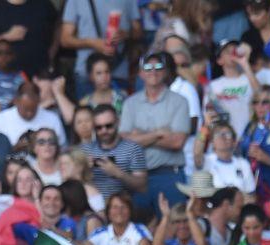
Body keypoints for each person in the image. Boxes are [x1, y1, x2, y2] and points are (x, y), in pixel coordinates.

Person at [120, 51, 191, 214]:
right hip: (138, 177)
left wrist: (139, 135)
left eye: (158, 66)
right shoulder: (130, 103)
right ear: (140, 73)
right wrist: (158, 133)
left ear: (165, 71)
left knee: (173, 228)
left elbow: (177, 142)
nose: (153, 71)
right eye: (148, 67)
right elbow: (125, 143)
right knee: (141, 231)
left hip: (169, 175)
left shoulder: (180, 101)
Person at [60, 0, 141, 96]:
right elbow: (65, 39)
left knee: (119, 109)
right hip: (87, 73)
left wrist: (126, 34)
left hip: (118, 72)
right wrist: (92, 43)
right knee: (87, 110)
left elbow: (138, 32)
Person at [0, 0, 60, 79]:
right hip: (8, 80)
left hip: (41, 76)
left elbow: (57, 29)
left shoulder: (44, 4)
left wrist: (51, 54)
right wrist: (7, 36)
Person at [81, 104, 147, 201]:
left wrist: (119, 174)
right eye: (99, 127)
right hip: (91, 208)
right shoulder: (84, 150)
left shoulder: (133, 148)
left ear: (118, 122)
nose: (104, 130)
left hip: (122, 209)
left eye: (109, 126)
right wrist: (84, 169)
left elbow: (142, 187)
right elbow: (72, 183)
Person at [87, 192, 152, 245]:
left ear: (130, 211)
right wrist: (70, 244)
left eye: (123, 207)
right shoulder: (100, 233)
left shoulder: (139, 229)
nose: (119, 211)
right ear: (108, 212)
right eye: (115, 207)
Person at [0, 82, 66, 146]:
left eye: (33, 109)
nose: (29, 113)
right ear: (16, 101)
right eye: (25, 109)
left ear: (38, 101)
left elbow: (61, 147)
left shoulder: (52, 119)